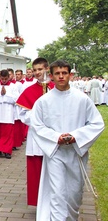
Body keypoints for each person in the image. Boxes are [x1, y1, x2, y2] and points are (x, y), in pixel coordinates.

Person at [31, 60, 104, 221]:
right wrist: (55, 137)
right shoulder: (44, 101)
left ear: (70, 74)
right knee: (57, 194)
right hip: (55, 153)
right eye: (57, 73)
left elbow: (97, 123)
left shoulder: (82, 99)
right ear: (51, 76)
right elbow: (36, 125)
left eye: (64, 73)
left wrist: (76, 137)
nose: (61, 76)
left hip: (76, 153)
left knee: (74, 194)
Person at [16, 57, 54, 206]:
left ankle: (54, 202)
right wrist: (38, 115)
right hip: (36, 137)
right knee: (36, 171)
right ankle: (39, 203)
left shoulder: (56, 88)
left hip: (53, 136)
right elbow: (23, 115)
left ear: (47, 69)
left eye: (40, 69)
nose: (37, 72)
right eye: (35, 70)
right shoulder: (29, 91)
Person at [0, 69, 19, 159]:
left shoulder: (13, 86)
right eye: (2, 78)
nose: (4, 80)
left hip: (8, 113)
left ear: (9, 77)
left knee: (8, 133)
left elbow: (16, 99)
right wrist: (0, 94)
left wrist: (5, 95)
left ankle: (7, 151)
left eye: (5, 78)